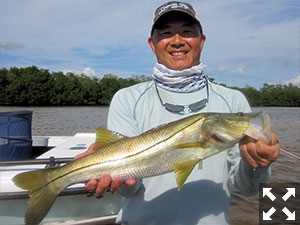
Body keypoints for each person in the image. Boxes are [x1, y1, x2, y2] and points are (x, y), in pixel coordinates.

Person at [76, 1, 280, 224]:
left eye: (187, 31)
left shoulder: (233, 100)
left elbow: (245, 189)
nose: (177, 40)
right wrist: (120, 179)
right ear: (152, 44)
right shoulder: (127, 99)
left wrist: (258, 166)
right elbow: (130, 191)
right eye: (166, 33)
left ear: (201, 41)